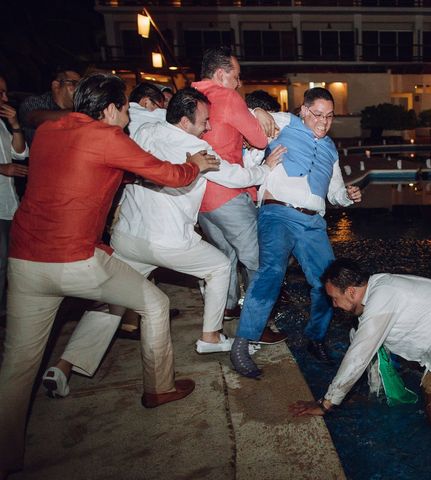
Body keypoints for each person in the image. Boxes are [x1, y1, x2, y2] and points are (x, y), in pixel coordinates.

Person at [0, 73, 219, 478]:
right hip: (75, 260)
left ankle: (5, 457)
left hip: (25, 261)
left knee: (17, 367)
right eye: (124, 109)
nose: (127, 118)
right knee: (154, 303)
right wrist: (193, 164)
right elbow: (170, 176)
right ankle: (159, 388)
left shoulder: (48, 132)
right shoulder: (108, 136)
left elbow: (86, 169)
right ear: (111, 108)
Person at [40, 88, 285, 398]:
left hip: (129, 236)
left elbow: (140, 109)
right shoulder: (197, 148)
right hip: (168, 241)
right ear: (184, 122)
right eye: (204, 121)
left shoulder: (144, 128)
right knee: (220, 266)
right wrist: (267, 168)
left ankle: (62, 366)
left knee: (113, 301)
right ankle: (210, 335)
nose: (209, 127)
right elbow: (236, 177)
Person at [289, 258, 431, 431]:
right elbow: (370, 365)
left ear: (350, 292)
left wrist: (326, 404)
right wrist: (360, 397)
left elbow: (357, 356)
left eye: (334, 298)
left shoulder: (383, 294)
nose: (334, 305)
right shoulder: (365, 315)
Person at [230, 87, 362, 378]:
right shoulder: (286, 123)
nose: (323, 122)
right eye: (317, 114)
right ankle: (242, 342)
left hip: (313, 222)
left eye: (329, 116)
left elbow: (335, 192)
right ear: (303, 110)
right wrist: (260, 111)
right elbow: (247, 115)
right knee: (272, 273)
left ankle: (315, 338)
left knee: (328, 283)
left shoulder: (330, 149)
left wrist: (347, 196)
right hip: (277, 212)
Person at [192, 47, 284, 344]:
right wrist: (257, 112)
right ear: (221, 75)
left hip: (199, 196)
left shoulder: (191, 97)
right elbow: (258, 138)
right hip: (227, 194)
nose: (239, 83)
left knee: (226, 256)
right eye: (236, 77)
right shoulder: (228, 96)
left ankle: (229, 306)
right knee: (260, 261)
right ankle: (256, 327)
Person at [0, 75, 29, 311]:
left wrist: (15, 124)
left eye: (5, 92)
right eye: (0, 93)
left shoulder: (2, 123)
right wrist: (2, 168)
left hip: (10, 204)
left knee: (10, 262)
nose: (5, 98)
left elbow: (19, 153)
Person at [18, 67, 81, 145]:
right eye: (75, 83)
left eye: (81, 86)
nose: (79, 90)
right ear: (56, 85)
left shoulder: (78, 107)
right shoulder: (34, 103)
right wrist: (84, 111)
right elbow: (35, 119)